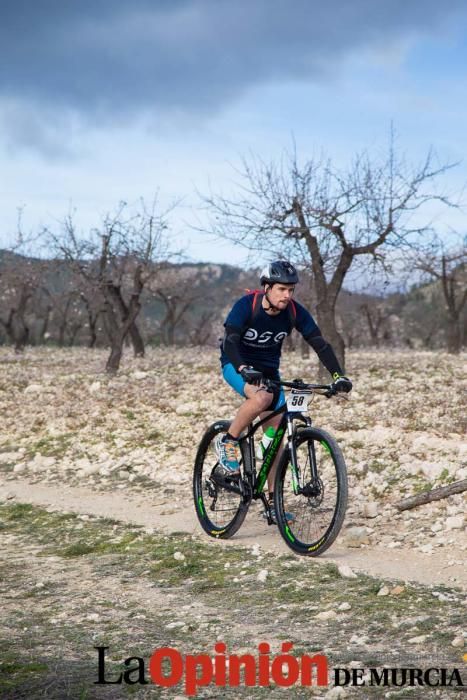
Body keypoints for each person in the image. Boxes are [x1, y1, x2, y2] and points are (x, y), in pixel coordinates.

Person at [217, 260, 352, 519]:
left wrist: (338, 375)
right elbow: (231, 340)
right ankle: (229, 441)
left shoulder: (294, 312)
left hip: (269, 372)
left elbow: (319, 343)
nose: (287, 295)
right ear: (266, 287)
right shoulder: (247, 306)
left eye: (291, 290)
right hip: (236, 364)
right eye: (281, 289)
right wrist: (243, 367)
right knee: (261, 398)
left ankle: (271, 503)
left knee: (276, 433)